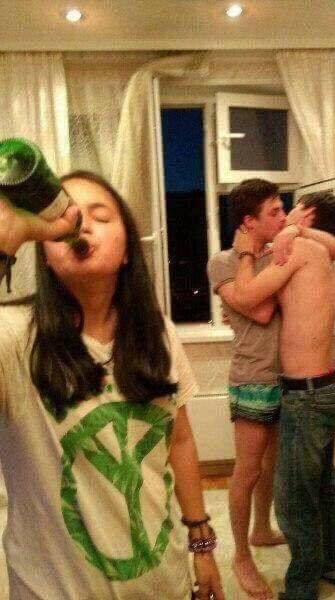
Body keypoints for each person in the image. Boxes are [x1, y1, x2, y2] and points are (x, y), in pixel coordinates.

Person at [0, 171, 224, 600]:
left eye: (100, 215)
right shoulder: (13, 339)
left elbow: (179, 440)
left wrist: (202, 543)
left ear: (127, 253)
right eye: (65, 219)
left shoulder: (157, 333)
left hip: (164, 584)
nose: (81, 224)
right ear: (44, 254)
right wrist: (5, 238)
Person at [207, 180, 335, 600]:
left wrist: (289, 234)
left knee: (279, 472)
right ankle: (241, 557)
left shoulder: (284, 250)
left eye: (286, 209)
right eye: (274, 212)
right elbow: (263, 309)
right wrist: (253, 253)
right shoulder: (224, 261)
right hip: (253, 378)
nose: (283, 217)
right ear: (249, 222)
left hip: (291, 384)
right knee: (249, 472)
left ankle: (263, 530)